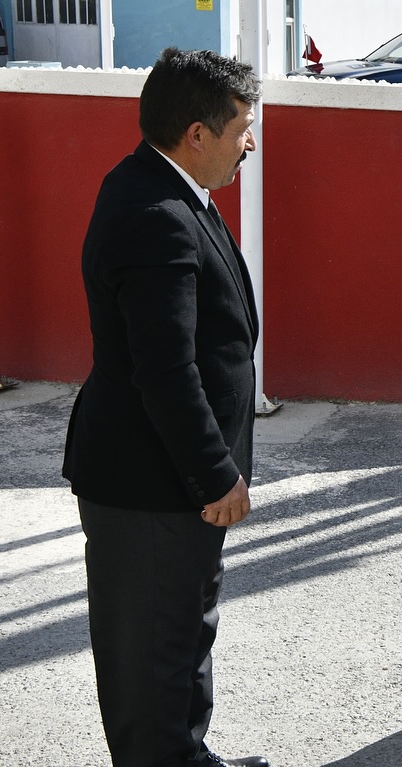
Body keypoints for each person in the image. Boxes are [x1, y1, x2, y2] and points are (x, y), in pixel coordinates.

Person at [63, 48, 268, 767]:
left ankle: (188, 755)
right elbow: (165, 369)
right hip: (152, 484)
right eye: (242, 128)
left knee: (182, 633)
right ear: (197, 134)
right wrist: (215, 473)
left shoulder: (169, 188)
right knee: (150, 662)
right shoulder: (155, 213)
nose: (250, 143)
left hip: (171, 483)